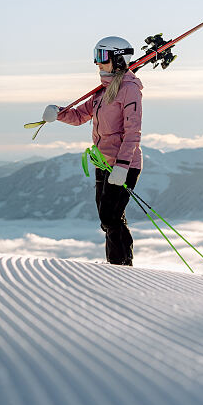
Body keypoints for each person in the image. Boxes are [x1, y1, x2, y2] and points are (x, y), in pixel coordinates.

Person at [43, 36, 142, 265]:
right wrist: (57, 113)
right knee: (107, 218)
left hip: (122, 165)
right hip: (103, 162)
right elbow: (79, 116)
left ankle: (122, 265)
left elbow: (133, 132)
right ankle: (118, 263)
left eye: (102, 57)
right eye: (96, 57)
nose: (97, 63)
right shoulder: (102, 92)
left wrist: (122, 166)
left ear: (118, 59)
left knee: (110, 217)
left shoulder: (129, 90)